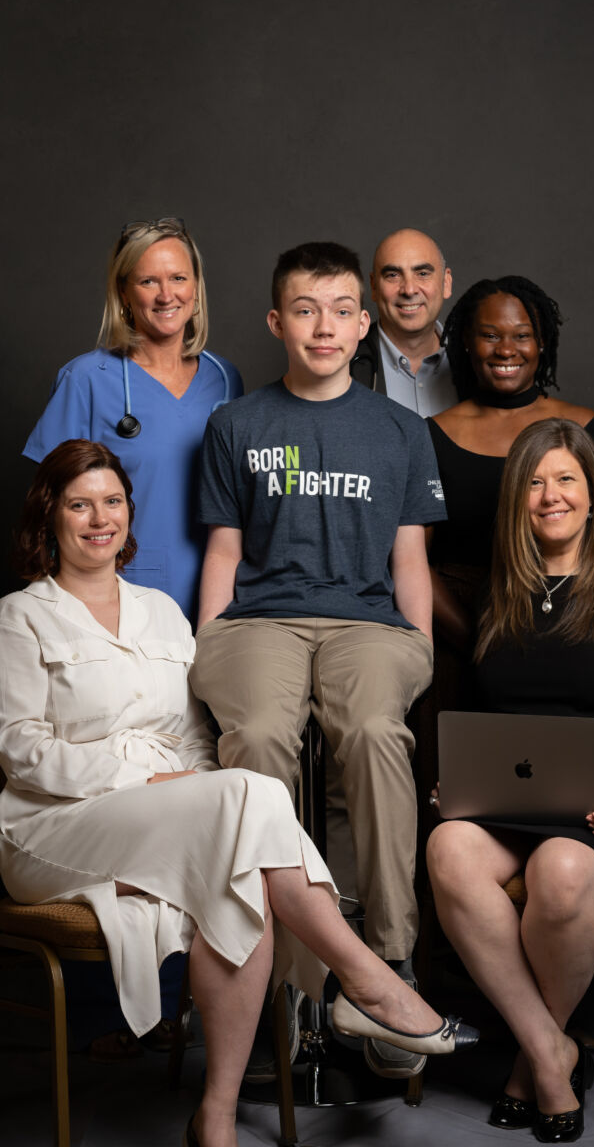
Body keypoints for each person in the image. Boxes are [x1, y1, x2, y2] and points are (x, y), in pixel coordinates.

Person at [0, 440, 477, 1147]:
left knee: (243, 865)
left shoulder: (161, 614)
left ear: (128, 512)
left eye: (112, 502)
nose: (98, 519)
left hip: (164, 815)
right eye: (79, 504)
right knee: (248, 798)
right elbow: (21, 754)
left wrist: (183, 784)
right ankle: (366, 979)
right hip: (54, 827)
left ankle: (216, 1114)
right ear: (48, 516)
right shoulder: (18, 618)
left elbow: (193, 739)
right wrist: (146, 778)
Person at [189, 241, 447, 1080]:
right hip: (259, 622)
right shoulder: (236, 426)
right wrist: (208, 642)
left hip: (368, 626)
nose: (324, 326)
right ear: (276, 322)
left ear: (364, 324)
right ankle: (278, 976)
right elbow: (224, 550)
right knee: (260, 738)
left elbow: (411, 559)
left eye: (341, 310)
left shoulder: (401, 431)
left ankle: (390, 964)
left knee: (373, 731)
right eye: (305, 309)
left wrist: (420, 649)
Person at [427, 419, 594, 1143]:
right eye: (536, 482)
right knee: (448, 848)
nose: (551, 495)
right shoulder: (499, 596)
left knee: (562, 869)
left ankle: (527, 1067)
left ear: (593, 493)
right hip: (519, 802)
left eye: (566, 479)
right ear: (518, 500)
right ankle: (550, 1052)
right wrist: (465, 789)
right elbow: (489, 717)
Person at [23, 216, 243, 623]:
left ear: (196, 289)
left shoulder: (225, 379)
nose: (166, 296)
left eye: (178, 278)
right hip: (120, 588)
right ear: (123, 292)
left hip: (218, 589)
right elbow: (48, 509)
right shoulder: (87, 380)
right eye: (147, 282)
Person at [429, 276, 594, 653]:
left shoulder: (583, 427)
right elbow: (412, 560)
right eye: (490, 335)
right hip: (458, 627)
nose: (506, 350)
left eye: (521, 335)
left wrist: (583, 619)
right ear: (466, 343)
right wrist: (473, 641)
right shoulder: (431, 435)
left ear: (542, 343)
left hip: (573, 620)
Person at [350, 227, 456, 415]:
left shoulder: (475, 360)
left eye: (422, 273)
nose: (409, 290)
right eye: (393, 275)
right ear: (374, 287)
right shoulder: (343, 364)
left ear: (446, 283)